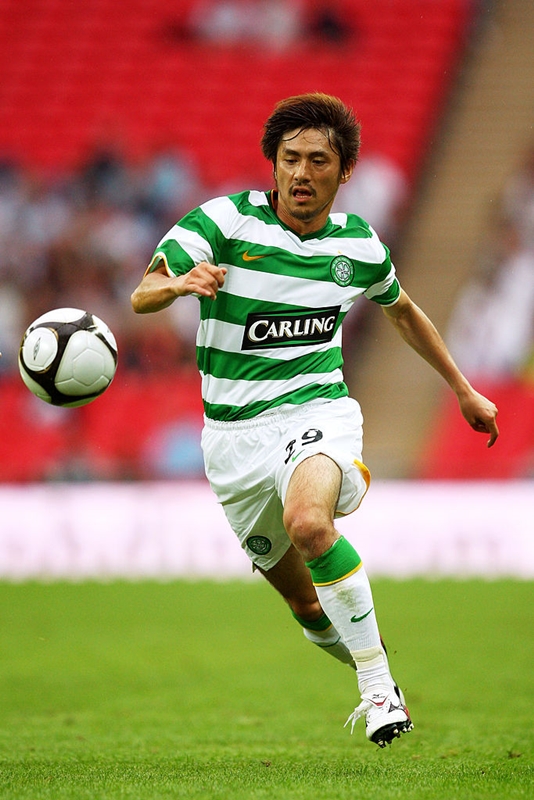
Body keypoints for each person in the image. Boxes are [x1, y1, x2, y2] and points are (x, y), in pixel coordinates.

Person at [131, 93, 499, 747]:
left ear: (344, 170)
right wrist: (179, 285)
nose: (301, 173)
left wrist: (463, 389)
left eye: (318, 161)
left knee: (309, 522)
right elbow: (143, 292)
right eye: (290, 158)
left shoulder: (358, 245)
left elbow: (402, 310)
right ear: (273, 163)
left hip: (316, 412)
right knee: (306, 603)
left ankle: (377, 690)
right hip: (233, 441)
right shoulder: (223, 222)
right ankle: (378, 671)